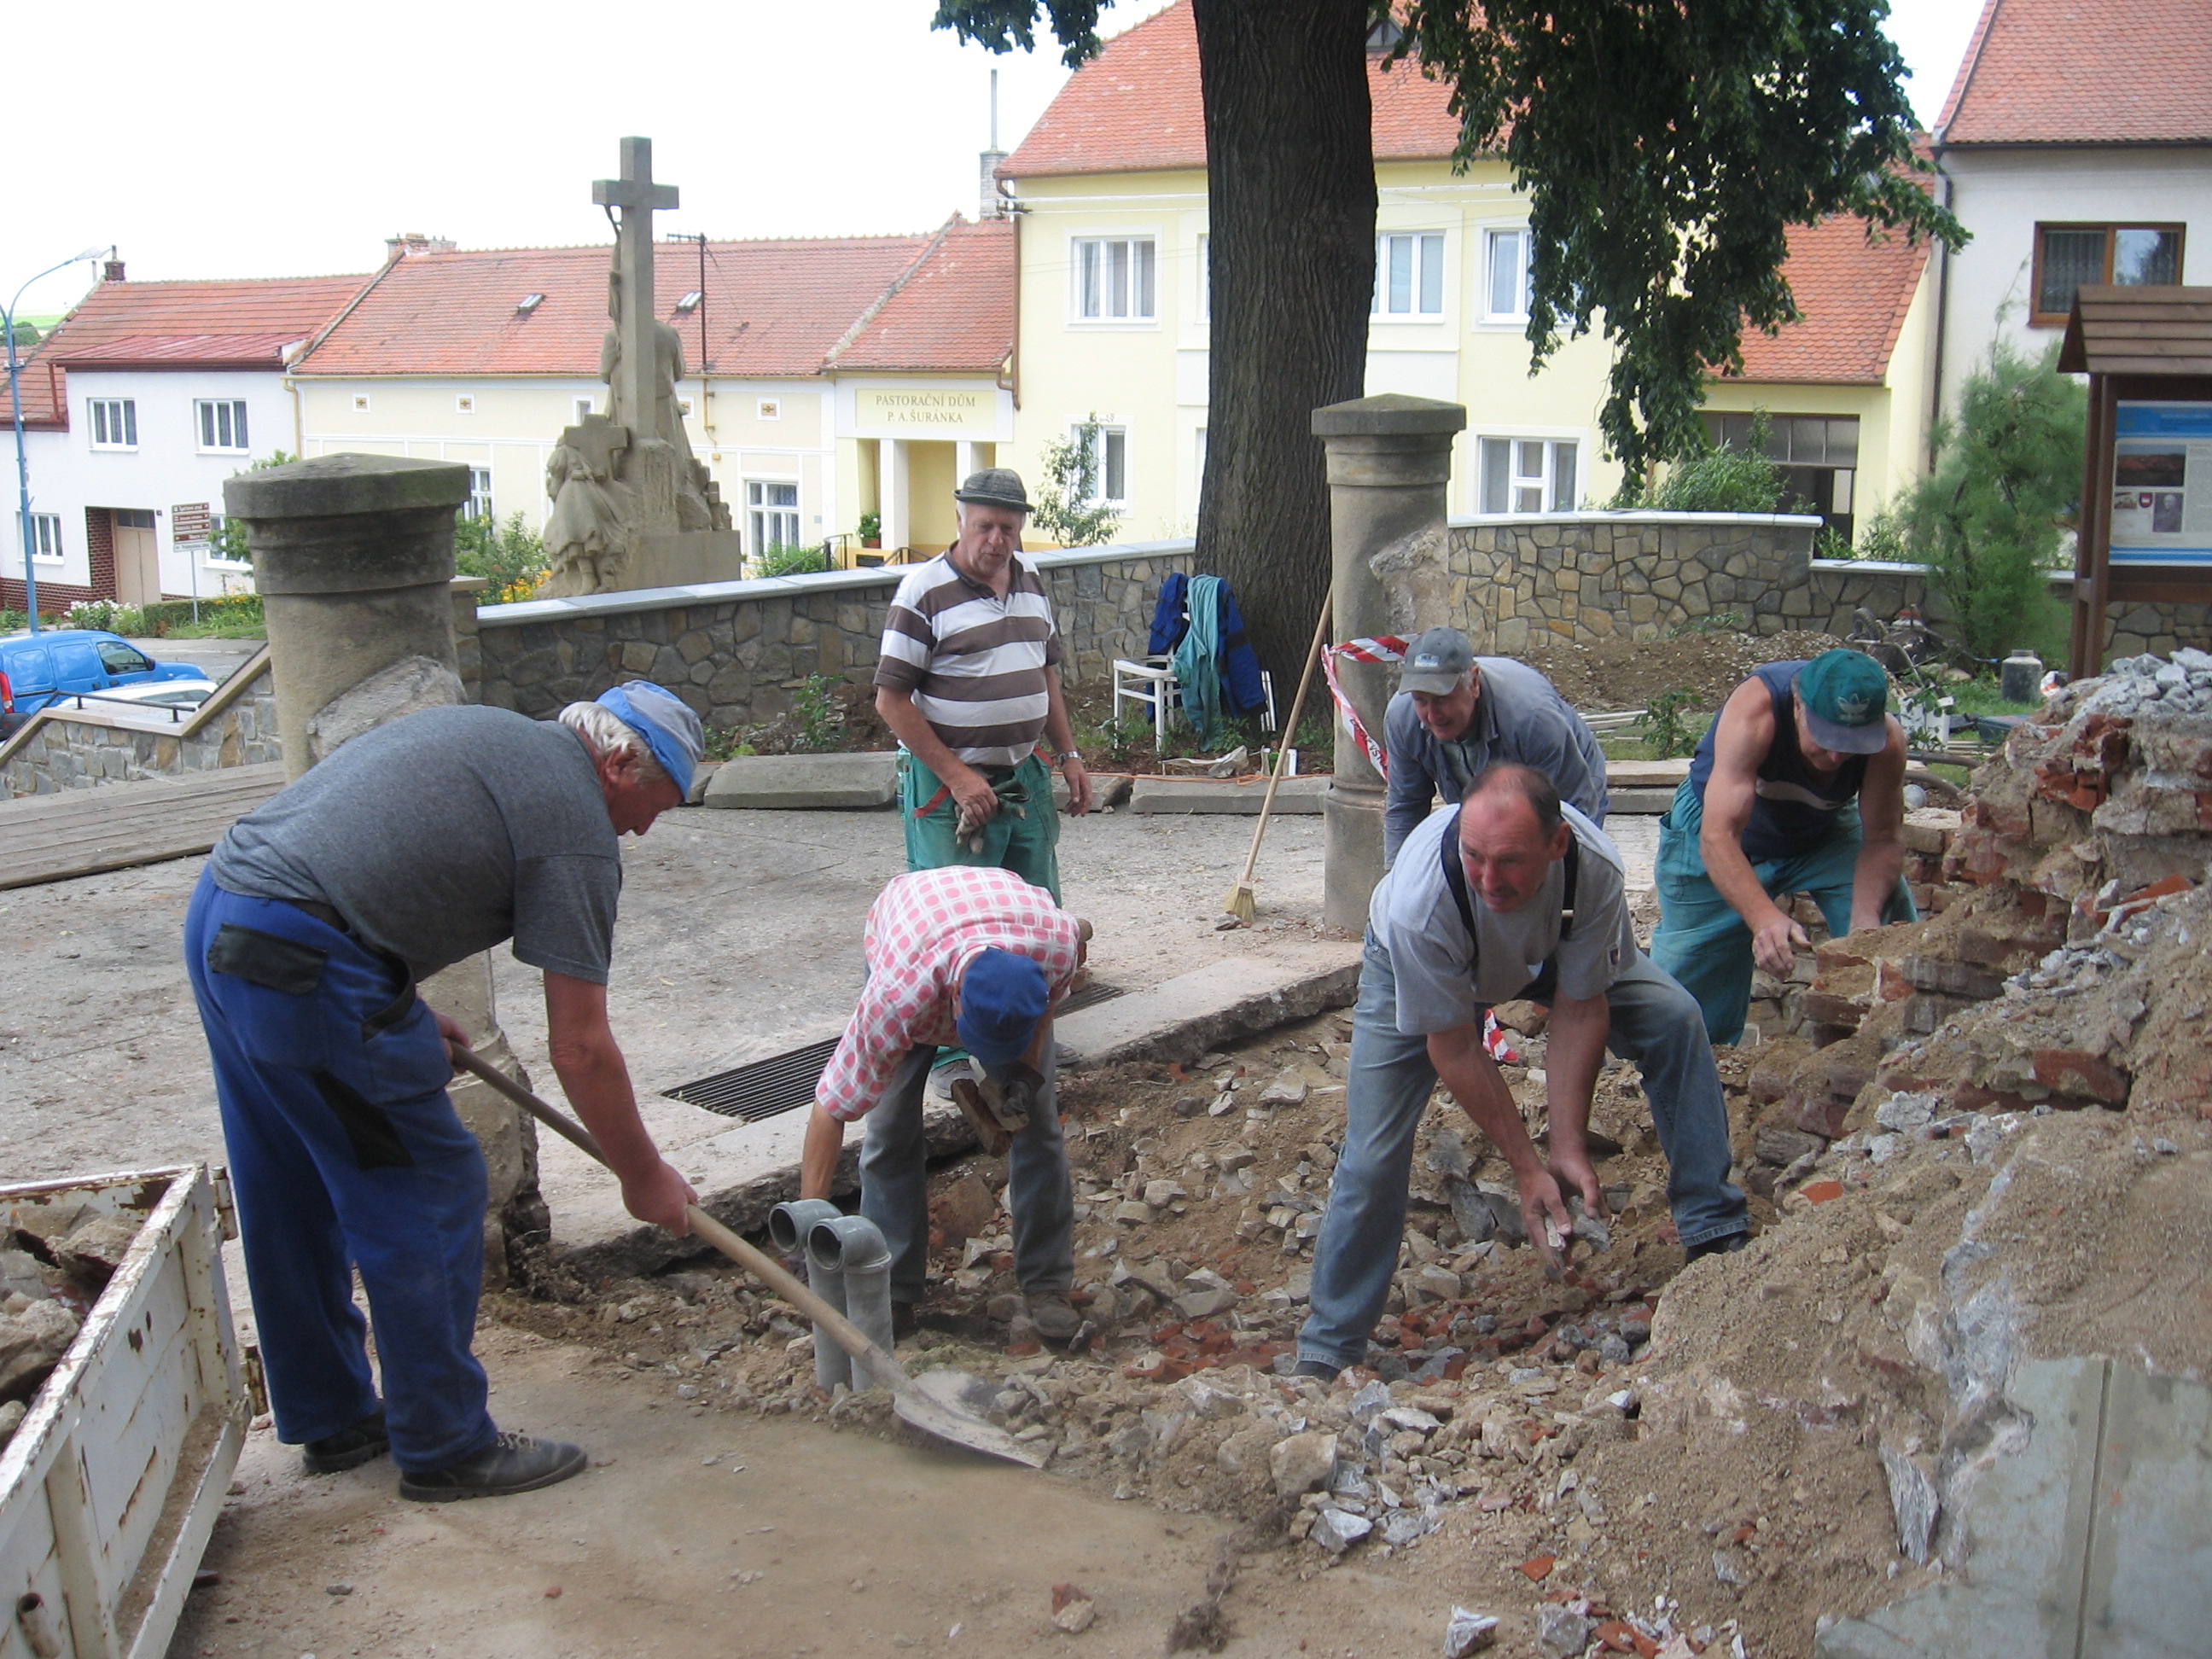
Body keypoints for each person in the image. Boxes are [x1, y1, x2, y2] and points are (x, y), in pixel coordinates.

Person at [184, 683, 703, 1500]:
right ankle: (446, 1445)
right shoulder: (575, 826)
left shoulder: (501, 734)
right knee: (430, 1184)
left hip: (229, 914)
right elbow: (581, 1047)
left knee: (291, 1180)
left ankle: (331, 1415)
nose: (643, 827)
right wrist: (644, 1176)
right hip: (303, 959)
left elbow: (374, 866)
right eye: (651, 804)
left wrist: (398, 1010)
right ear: (616, 763)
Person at [1295, 764, 1749, 1382]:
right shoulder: (1420, 902)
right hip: (1422, 960)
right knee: (1373, 1152)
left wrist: (1567, 1145)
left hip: (1546, 951)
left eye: (1509, 861)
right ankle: (1329, 1346)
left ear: (1556, 844)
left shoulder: (1593, 869)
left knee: (1674, 1018)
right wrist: (1527, 1167)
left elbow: (1581, 1007)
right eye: (1475, 855)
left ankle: (1715, 1227)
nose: (1488, 878)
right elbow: (1455, 1048)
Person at [800, 864, 1089, 1344]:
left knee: (1039, 1128)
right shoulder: (897, 995)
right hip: (912, 922)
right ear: (955, 998)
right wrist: (809, 1214)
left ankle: (1047, 1285)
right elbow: (831, 1106)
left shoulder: (1057, 948)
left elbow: (1047, 1009)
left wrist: (1024, 1074)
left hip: (1002, 914)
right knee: (890, 1130)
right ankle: (892, 1288)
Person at [1650, 649, 1912, 1045]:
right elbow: (1719, 837)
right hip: (1719, 827)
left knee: (1891, 931)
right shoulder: (1756, 711)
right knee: (1690, 987)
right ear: (1798, 708)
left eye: (1852, 742)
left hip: (1820, 830)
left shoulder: (1886, 744)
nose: (1837, 755)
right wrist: (1763, 918)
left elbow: (1882, 839)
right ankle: (1697, 1073)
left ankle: (1889, 1048)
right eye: (1825, 739)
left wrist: (1865, 927)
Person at [874, 469, 1092, 900]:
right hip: (948, 784)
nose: (996, 540)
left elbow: (1043, 672)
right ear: (960, 523)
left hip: (1024, 776)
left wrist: (1069, 754)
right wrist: (958, 777)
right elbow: (891, 701)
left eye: (1007, 529)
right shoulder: (922, 592)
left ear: (1021, 529)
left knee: (1035, 911)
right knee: (961, 919)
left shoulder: (1029, 578)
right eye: (984, 527)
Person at [1383, 626, 1608, 865]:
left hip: (1567, 784)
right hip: (1480, 791)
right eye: (1421, 700)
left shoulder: (1532, 719)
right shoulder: (1402, 718)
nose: (1433, 715)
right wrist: (1395, 883)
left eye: (1443, 699)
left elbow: (1571, 812)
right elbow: (1406, 806)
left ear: (1474, 683)